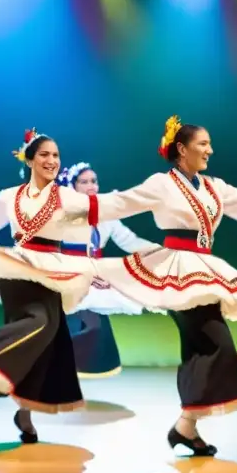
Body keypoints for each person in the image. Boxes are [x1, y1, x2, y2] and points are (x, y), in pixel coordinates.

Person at [91, 116, 237, 456]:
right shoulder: (161, 184)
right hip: (176, 268)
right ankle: (185, 424)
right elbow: (122, 203)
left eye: (210, 144)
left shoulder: (213, 186)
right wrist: (74, 208)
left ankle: (186, 426)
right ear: (182, 150)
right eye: (203, 144)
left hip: (202, 265)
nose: (210, 150)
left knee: (201, 344)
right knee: (214, 341)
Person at [0, 129, 125, 444]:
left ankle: (23, 410)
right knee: (42, 324)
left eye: (56, 155)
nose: (51, 160)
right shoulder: (9, 196)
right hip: (16, 269)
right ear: (30, 159)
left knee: (49, 343)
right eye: (45, 154)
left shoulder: (67, 197)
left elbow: (97, 218)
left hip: (51, 272)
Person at [58, 161, 160, 378]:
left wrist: (159, 251)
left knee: (94, 328)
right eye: (84, 182)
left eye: (94, 181)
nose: (91, 186)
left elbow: (129, 241)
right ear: (73, 186)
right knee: (79, 326)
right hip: (68, 278)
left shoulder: (106, 215)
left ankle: (70, 372)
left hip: (95, 278)